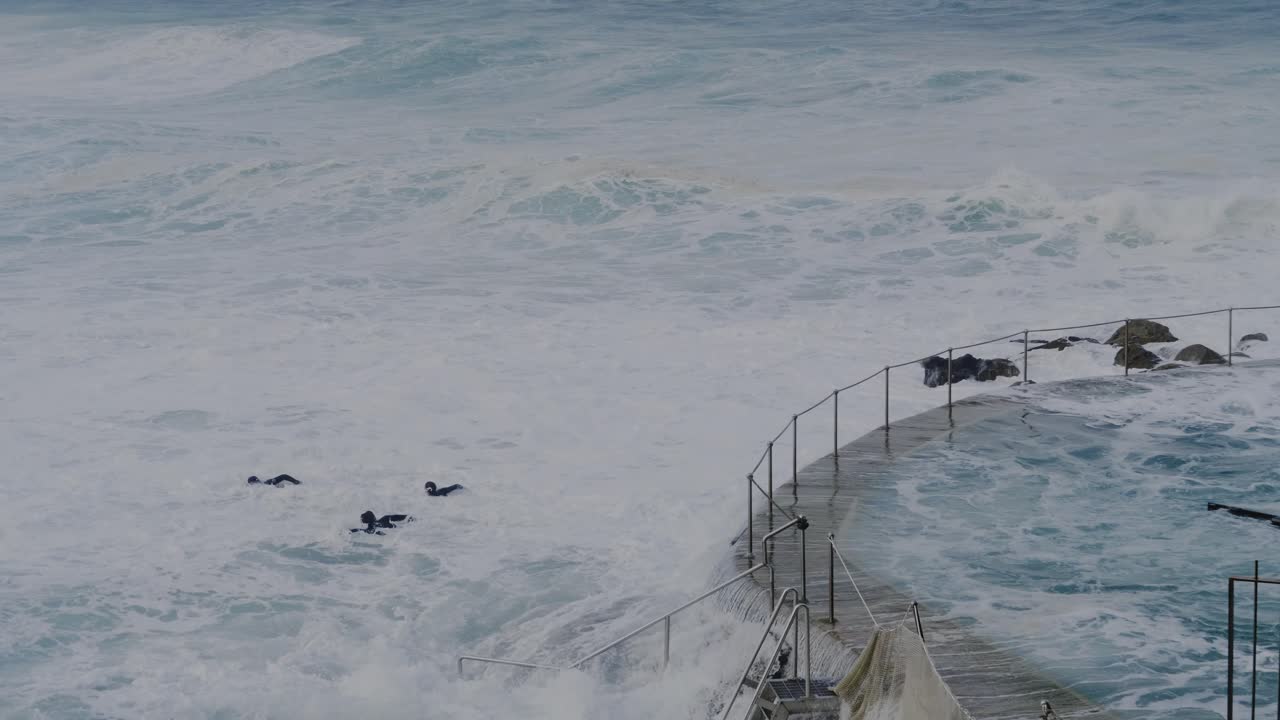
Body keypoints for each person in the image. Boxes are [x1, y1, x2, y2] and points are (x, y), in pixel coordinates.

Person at [350, 510, 414, 535]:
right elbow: (404, 517)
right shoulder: (385, 518)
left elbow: (368, 531)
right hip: (400, 529)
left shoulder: (371, 527)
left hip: (394, 533)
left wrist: (351, 530)